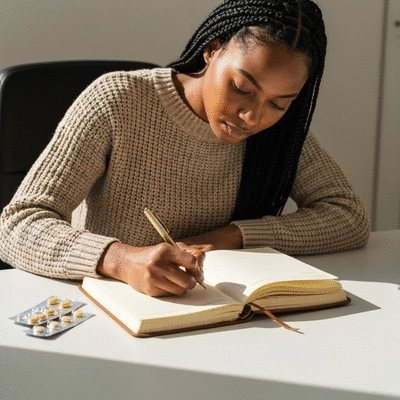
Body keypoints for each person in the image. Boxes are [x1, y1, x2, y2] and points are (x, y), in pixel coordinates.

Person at [0, 0, 369, 297]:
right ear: (212, 50)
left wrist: (233, 236)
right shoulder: (118, 101)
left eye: (278, 103)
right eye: (242, 87)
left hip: (217, 320)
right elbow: (17, 225)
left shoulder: (277, 133)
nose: (252, 116)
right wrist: (121, 260)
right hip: (111, 315)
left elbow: (348, 217)